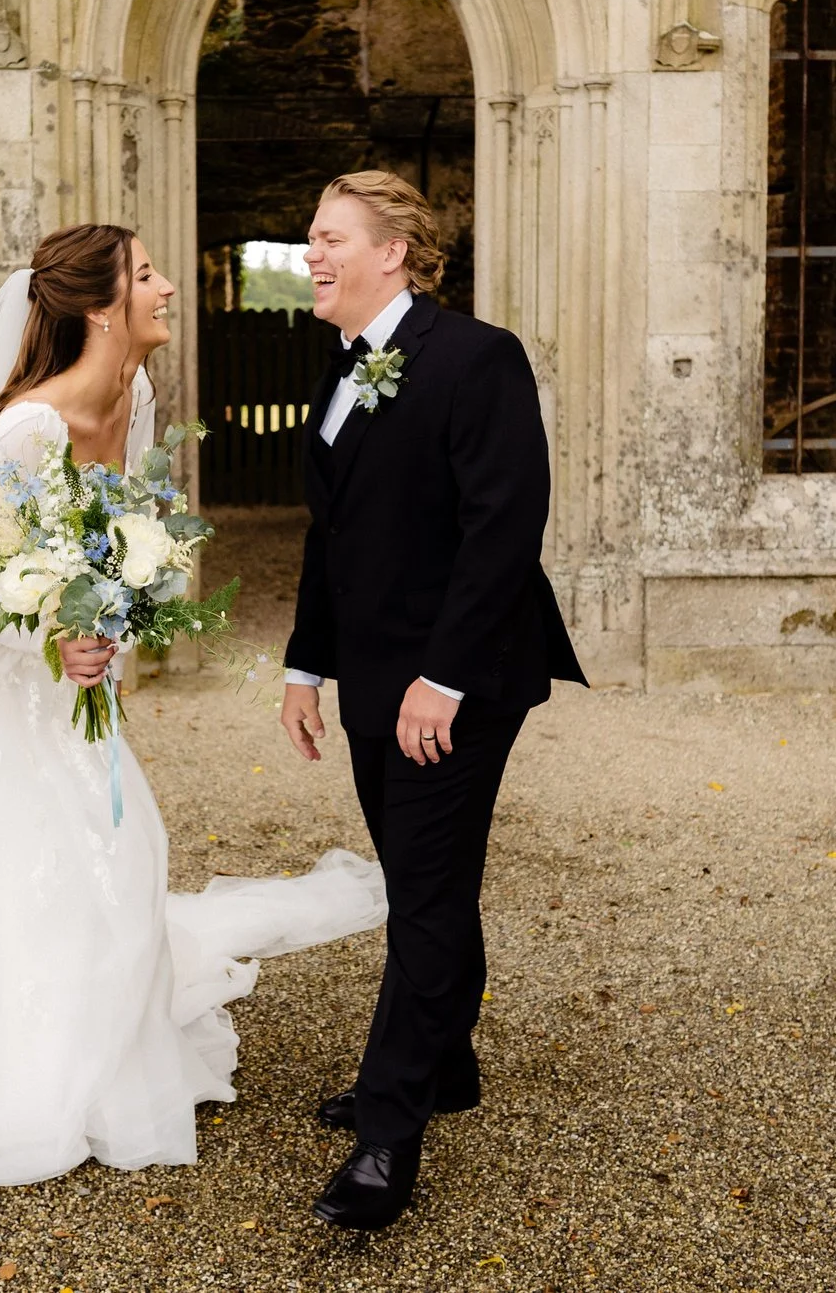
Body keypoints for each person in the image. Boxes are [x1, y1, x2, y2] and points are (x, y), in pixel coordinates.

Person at [0, 223, 385, 1188]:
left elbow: (124, 539)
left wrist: (119, 611)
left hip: (72, 674)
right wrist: (51, 633)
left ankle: (96, 1032)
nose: (168, 288)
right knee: (25, 852)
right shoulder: (28, 429)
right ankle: (12, 1066)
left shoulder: (139, 394)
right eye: (149, 275)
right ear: (99, 307)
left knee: (115, 846)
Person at [280, 171, 586, 1229]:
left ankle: (388, 1131)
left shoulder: (476, 357)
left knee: (422, 892)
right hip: (369, 677)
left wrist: (441, 678)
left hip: (459, 679)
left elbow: (506, 524)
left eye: (328, 238)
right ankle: (447, 1062)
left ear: (393, 250)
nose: (309, 254)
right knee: (429, 878)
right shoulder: (341, 367)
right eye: (307, 240)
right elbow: (334, 532)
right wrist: (302, 663)